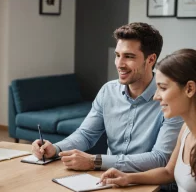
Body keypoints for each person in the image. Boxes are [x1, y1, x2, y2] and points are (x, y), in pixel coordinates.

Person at [31, 22, 184, 172]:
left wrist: (95, 161)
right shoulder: (108, 91)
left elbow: (160, 159)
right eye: (117, 55)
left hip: (151, 185)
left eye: (129, 56)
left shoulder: (170, 99)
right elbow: (86, 134)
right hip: (109, 179)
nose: (119, 64)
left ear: (150, 60)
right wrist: (55, 149)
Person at [100, 49, 196, 192]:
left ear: (189, 89)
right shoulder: (186, 130)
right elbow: (168, 173)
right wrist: (128, 178)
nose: (156, 97)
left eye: (163, 88)